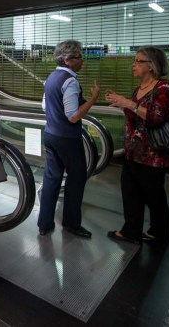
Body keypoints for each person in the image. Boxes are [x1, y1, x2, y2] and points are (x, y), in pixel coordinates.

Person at [104, 46, 169, 245]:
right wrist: (122, 104)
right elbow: (136, 116)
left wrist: (128, 103)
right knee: (130, 194)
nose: (133, 65)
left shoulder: (163, 89)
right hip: (132, 152)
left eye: (138, 61)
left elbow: (155, 118)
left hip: (152, 155)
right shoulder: (139, 89)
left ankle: (159, 233)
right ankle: (130, 231)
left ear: (151, 66)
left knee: (154, 198)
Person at [37, 40, 99, 238]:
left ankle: (44, 223)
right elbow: (73, 115)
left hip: (50, 135)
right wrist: (92, 100)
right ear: (67, 60)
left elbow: (45, 107)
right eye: (79, 56)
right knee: (76, 178)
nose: (82, 60)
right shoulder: (70, 81)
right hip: (68, 139)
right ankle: (72, 223)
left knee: (52, 178)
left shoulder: (51, 78)